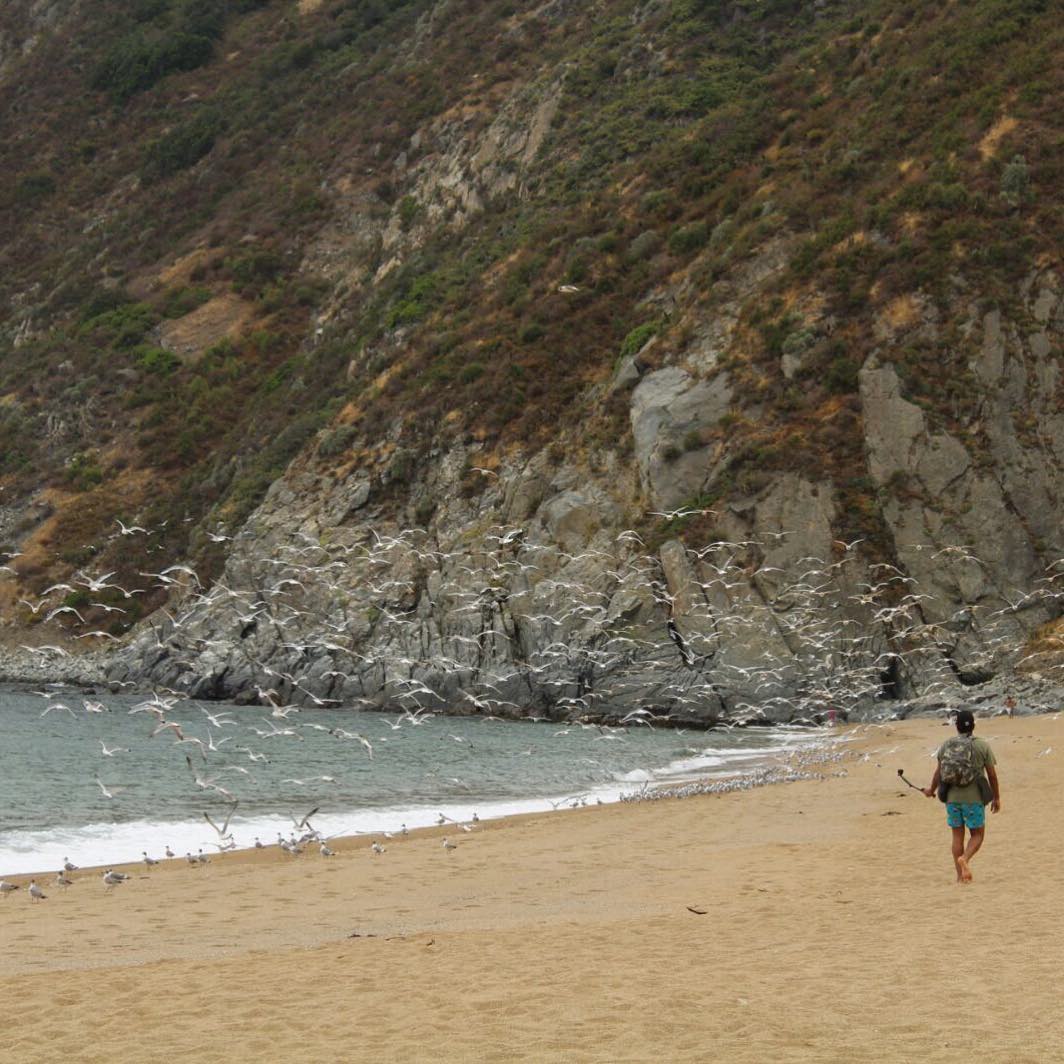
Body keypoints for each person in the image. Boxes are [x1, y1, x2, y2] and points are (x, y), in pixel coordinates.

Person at [923, 709, 1000, 882]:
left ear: (956, 726)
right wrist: (996, 797)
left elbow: (939, 772)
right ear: (973, 725)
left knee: (957, 836)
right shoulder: (982, 745)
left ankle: (960, 877)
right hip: (974, 800)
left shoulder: (947, 745)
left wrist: (931, 790)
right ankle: (965, 859)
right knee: (978, 834)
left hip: (952, 799)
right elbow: (992, 775)